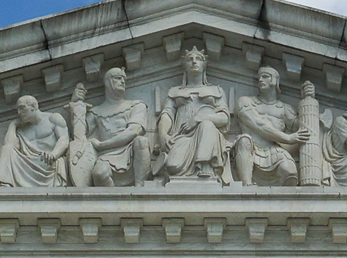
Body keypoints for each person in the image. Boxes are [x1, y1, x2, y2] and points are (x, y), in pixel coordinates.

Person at [155, 47, 232, 183]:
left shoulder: (216, 90)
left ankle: (205, 166)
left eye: (199, 59)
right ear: (184, 65)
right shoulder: (174, 91)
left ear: (204, 65)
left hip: (208, 137)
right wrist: (163, 135)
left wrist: (199, 119)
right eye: (190, 59)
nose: (194, 62)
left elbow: (224, 118)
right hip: (181, 136)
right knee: (173, 165)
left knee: (207, 125)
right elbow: (167, 114)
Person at [231, 65, 308, 186]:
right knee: (244, 140)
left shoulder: (284, 109)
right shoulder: (245, 102)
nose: (260, 80)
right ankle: (246, 186)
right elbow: (258, 124)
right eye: (259, 77)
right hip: (251, 149)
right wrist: (287, 138)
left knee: (290, 173)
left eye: (265, 76)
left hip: (274, 150)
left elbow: (303, 127)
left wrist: (308, 98)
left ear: (275, 80)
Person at [79, 68, 153, 187]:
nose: (122, 81)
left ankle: (141, 189)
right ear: (107, 82)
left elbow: (134, 131)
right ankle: (114, 203)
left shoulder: (136, 105)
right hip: (106, 155)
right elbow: (80, 138)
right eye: (118, 78)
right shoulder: (95, 112)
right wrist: (76, 105)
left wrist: (102, 145)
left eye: (124, 79)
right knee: (99, 173)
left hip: (130, 151)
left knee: (141, 141)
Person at [0, 94, 71, 188]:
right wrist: (13, 125)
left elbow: (64, 139)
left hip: (48, 163)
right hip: (26, 164)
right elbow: (9, 146)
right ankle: (4, 185)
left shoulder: (53, 118)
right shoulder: (22, 129)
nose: (19, 112)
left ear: (34, 106)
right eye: (18, 109)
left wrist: (53, 154)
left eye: (22, 108)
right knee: (6, 149)